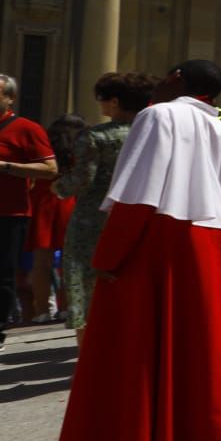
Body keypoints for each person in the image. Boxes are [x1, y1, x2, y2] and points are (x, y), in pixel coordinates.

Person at [51, 60, 221, 441]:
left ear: (179, 80)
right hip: (215, 241)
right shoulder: (220, 128)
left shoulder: (158, 115)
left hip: (162, 239)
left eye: (167, 73)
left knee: (141, 348)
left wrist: (109, 256)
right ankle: (197, 439)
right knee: (198, 347)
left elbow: (138, 193)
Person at [57, 72, 156, 349]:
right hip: (139, 211)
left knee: (84, 280)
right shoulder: (151, 132)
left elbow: (82, 179)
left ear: (114, 102)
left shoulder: (96, 136)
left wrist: (58, 187)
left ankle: (89, 351)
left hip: (93, 215)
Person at [0, 73, 58, 357]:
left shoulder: (26, 128)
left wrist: (2, 166)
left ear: (9, 98)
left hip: (5, 213)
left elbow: (50, 170)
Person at [25, 116, 85, 323]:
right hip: (68, 201)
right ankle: (66, 307)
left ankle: (41, 311)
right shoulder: (79, 149)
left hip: (42, 202)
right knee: (69, 261)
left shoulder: (45, 147)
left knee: (41, 261)